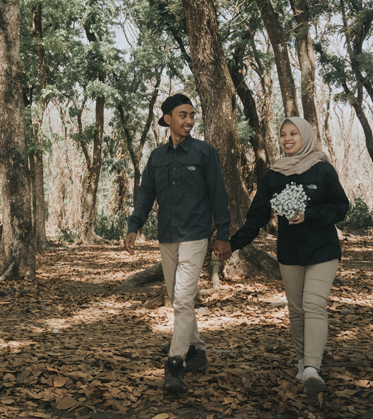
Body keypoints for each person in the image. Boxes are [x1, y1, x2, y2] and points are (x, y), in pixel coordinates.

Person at [229, 117, 349, 395]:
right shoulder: (273, 175)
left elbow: (341, 207)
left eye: (293, 133)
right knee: (296, 309)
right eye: (283, 134)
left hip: (323, 249)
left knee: (314, 304)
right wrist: (232, 244)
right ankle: (302, 360)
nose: (287, 138)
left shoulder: (323, 169)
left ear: (305, 136)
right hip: (290, 251)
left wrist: (310, 214)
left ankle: (312, 368)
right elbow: (257, 216)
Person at [124, 93, 232, 394]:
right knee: (177, 298)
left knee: (183, 300)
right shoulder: (157, 157)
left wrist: (222, 234)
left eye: (192, 115)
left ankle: (175, 363)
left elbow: (218, 193)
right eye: (183, 115)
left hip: (195, 235)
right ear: (167, 119)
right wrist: (134, 226)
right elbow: (146, 194)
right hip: (167, 235)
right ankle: (198, 352)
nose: (189, 120)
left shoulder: (204, 152)